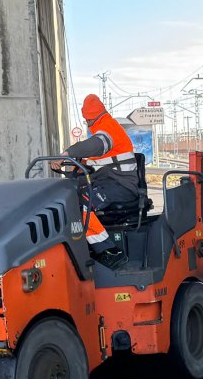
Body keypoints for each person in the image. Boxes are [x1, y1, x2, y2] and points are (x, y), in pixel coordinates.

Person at [52, 94, 139, 269]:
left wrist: (67, 154)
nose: (87, 124)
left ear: (92, 118)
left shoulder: (108, 128)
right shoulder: (99, 130)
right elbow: (87, 165)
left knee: (82, 202)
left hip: (122, 185)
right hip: (107, 182)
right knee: (68, 196)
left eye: (88, 121)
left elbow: (98, 144)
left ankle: (110, 251)